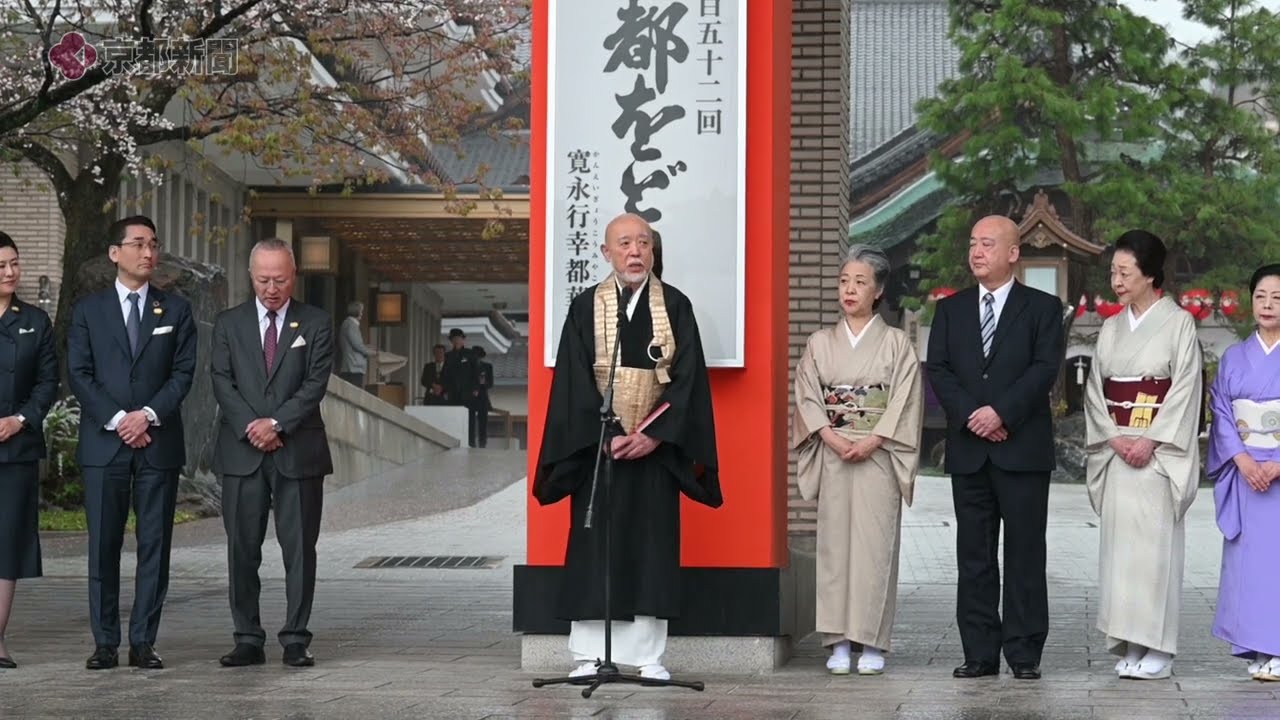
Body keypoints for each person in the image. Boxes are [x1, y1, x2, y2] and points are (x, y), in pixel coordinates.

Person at [533, 212, 722, 681]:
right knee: (597, 545)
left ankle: (649, 657)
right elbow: (574, 385)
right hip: (601, 450)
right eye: (624, 244)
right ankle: (590, 654)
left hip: (655, 451)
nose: (635, 252)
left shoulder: (675, 306)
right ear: (606, 253)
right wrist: (609, 434)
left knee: (652, 549)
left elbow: (688, 382)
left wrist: (653, 435)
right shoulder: (584, 307)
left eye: (643, 243)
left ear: (653, 251)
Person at [925, 215, 1064, 681]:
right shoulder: (951, 310)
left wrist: (1001, 413)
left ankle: (1024, 652)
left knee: (1025, 553)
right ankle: (979, 652)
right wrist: (974, 416)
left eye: (987, 243)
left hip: (1022, 449)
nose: (976, 252)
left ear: (1013, 253)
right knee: (975, 555)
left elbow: (1044, 369)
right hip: (970, 450)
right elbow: (940, 370)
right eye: (972, 243)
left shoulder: (1043, 308)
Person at [67, 215, 198, 671]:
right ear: (114, 253)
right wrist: (121, 419)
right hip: (105, 447)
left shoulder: (175, 310)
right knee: (103, 545)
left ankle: (143, 641)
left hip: (158, 444)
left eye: (153, 244)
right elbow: (80, 374)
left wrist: (148, 416)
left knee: (154, 545)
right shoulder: (88, 310)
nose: (148, 253)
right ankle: (105, 642)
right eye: (138, 244)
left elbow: (183, 373)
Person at [792, 244, 924, 675]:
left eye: (860, 282)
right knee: (834, 546)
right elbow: (809, 396)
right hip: (834, 452)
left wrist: (875, 438)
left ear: (878, 290)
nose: (849, 290)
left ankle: (871, 640)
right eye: (844, 281)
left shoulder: (896, 343)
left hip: (878, 455)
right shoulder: (819, 343)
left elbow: (905, 399)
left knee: (874, 546)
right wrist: (829, 435)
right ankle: (837, 640)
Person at [1084, 230, 1203, 680]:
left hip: (1156, 455)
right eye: (1113, 271)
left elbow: (1186, 388)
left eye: (1125, 272)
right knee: (1120, 553)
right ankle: (1129, 641)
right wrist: (1114, 438)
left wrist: (1151, 439)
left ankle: (1159, 648)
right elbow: (1097, 390)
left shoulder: (1178, 324)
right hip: (1118, 451)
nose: (1116, 280)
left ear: (1150, 274)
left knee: (1154, 553)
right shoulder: (1112, 328)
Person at [210, 237, 334, 668]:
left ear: (293, 275)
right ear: (251, 276)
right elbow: (222, 382)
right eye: (263, 279)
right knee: (242, 549)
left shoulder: (315, 323)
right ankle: (247, 636)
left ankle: (296, 637)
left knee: (299, 548)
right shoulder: (229, 323)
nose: (271, 288)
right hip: (242, 453)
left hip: (297, 451)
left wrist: (277, 424)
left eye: (279, 279)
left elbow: (315, 384)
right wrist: (254, 427)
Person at [1208, 264, 1280, 680]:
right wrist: (1242, 460)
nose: (1267, 305)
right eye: (1260, 297)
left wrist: (1274, 465)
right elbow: (1220, 413)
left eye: (1277, 298)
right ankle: (1255, 645)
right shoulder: (1235, 356)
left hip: (1276, 470)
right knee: (1246, 563)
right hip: (1246, 470)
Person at [0, 232, 59, 669]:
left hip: (16, 450)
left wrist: (20, 419)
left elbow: (47, 382)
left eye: (14, 263)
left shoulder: (35, 321)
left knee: (9, 543)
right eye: (1, 266)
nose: (10, 272)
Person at [442, 328, 479, 442]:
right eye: (454, 339)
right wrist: (445, 391)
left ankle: (470, 442)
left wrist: (476, 388)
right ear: (451, 341)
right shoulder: (448, 356)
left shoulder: (470, 354)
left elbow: (476, 372)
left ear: (463, 340)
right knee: (453, 418)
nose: (456, 341)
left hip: (468, 391)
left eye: (459, 338)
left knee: (469, 418)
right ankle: (454, 440)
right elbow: (445, 375)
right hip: (453, 392)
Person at [337, 300, 374, 388]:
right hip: (353, 367)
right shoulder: (350, 325)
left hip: (352, 366)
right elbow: (357, 345)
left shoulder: (350, 324)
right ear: (356, 311)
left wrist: (366, 347)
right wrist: (370, 352)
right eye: (361, 311)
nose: (362, 314)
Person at [470, 346, 494, 448]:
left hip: (482, 397)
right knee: (470, 421)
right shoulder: (468, 366)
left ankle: (482, 443)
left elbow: (491, 384)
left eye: (479, 356)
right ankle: (471, 442)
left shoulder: (487, 367)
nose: (477, 358)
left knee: (483, 422)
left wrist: (484, 383)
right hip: (470, 397)